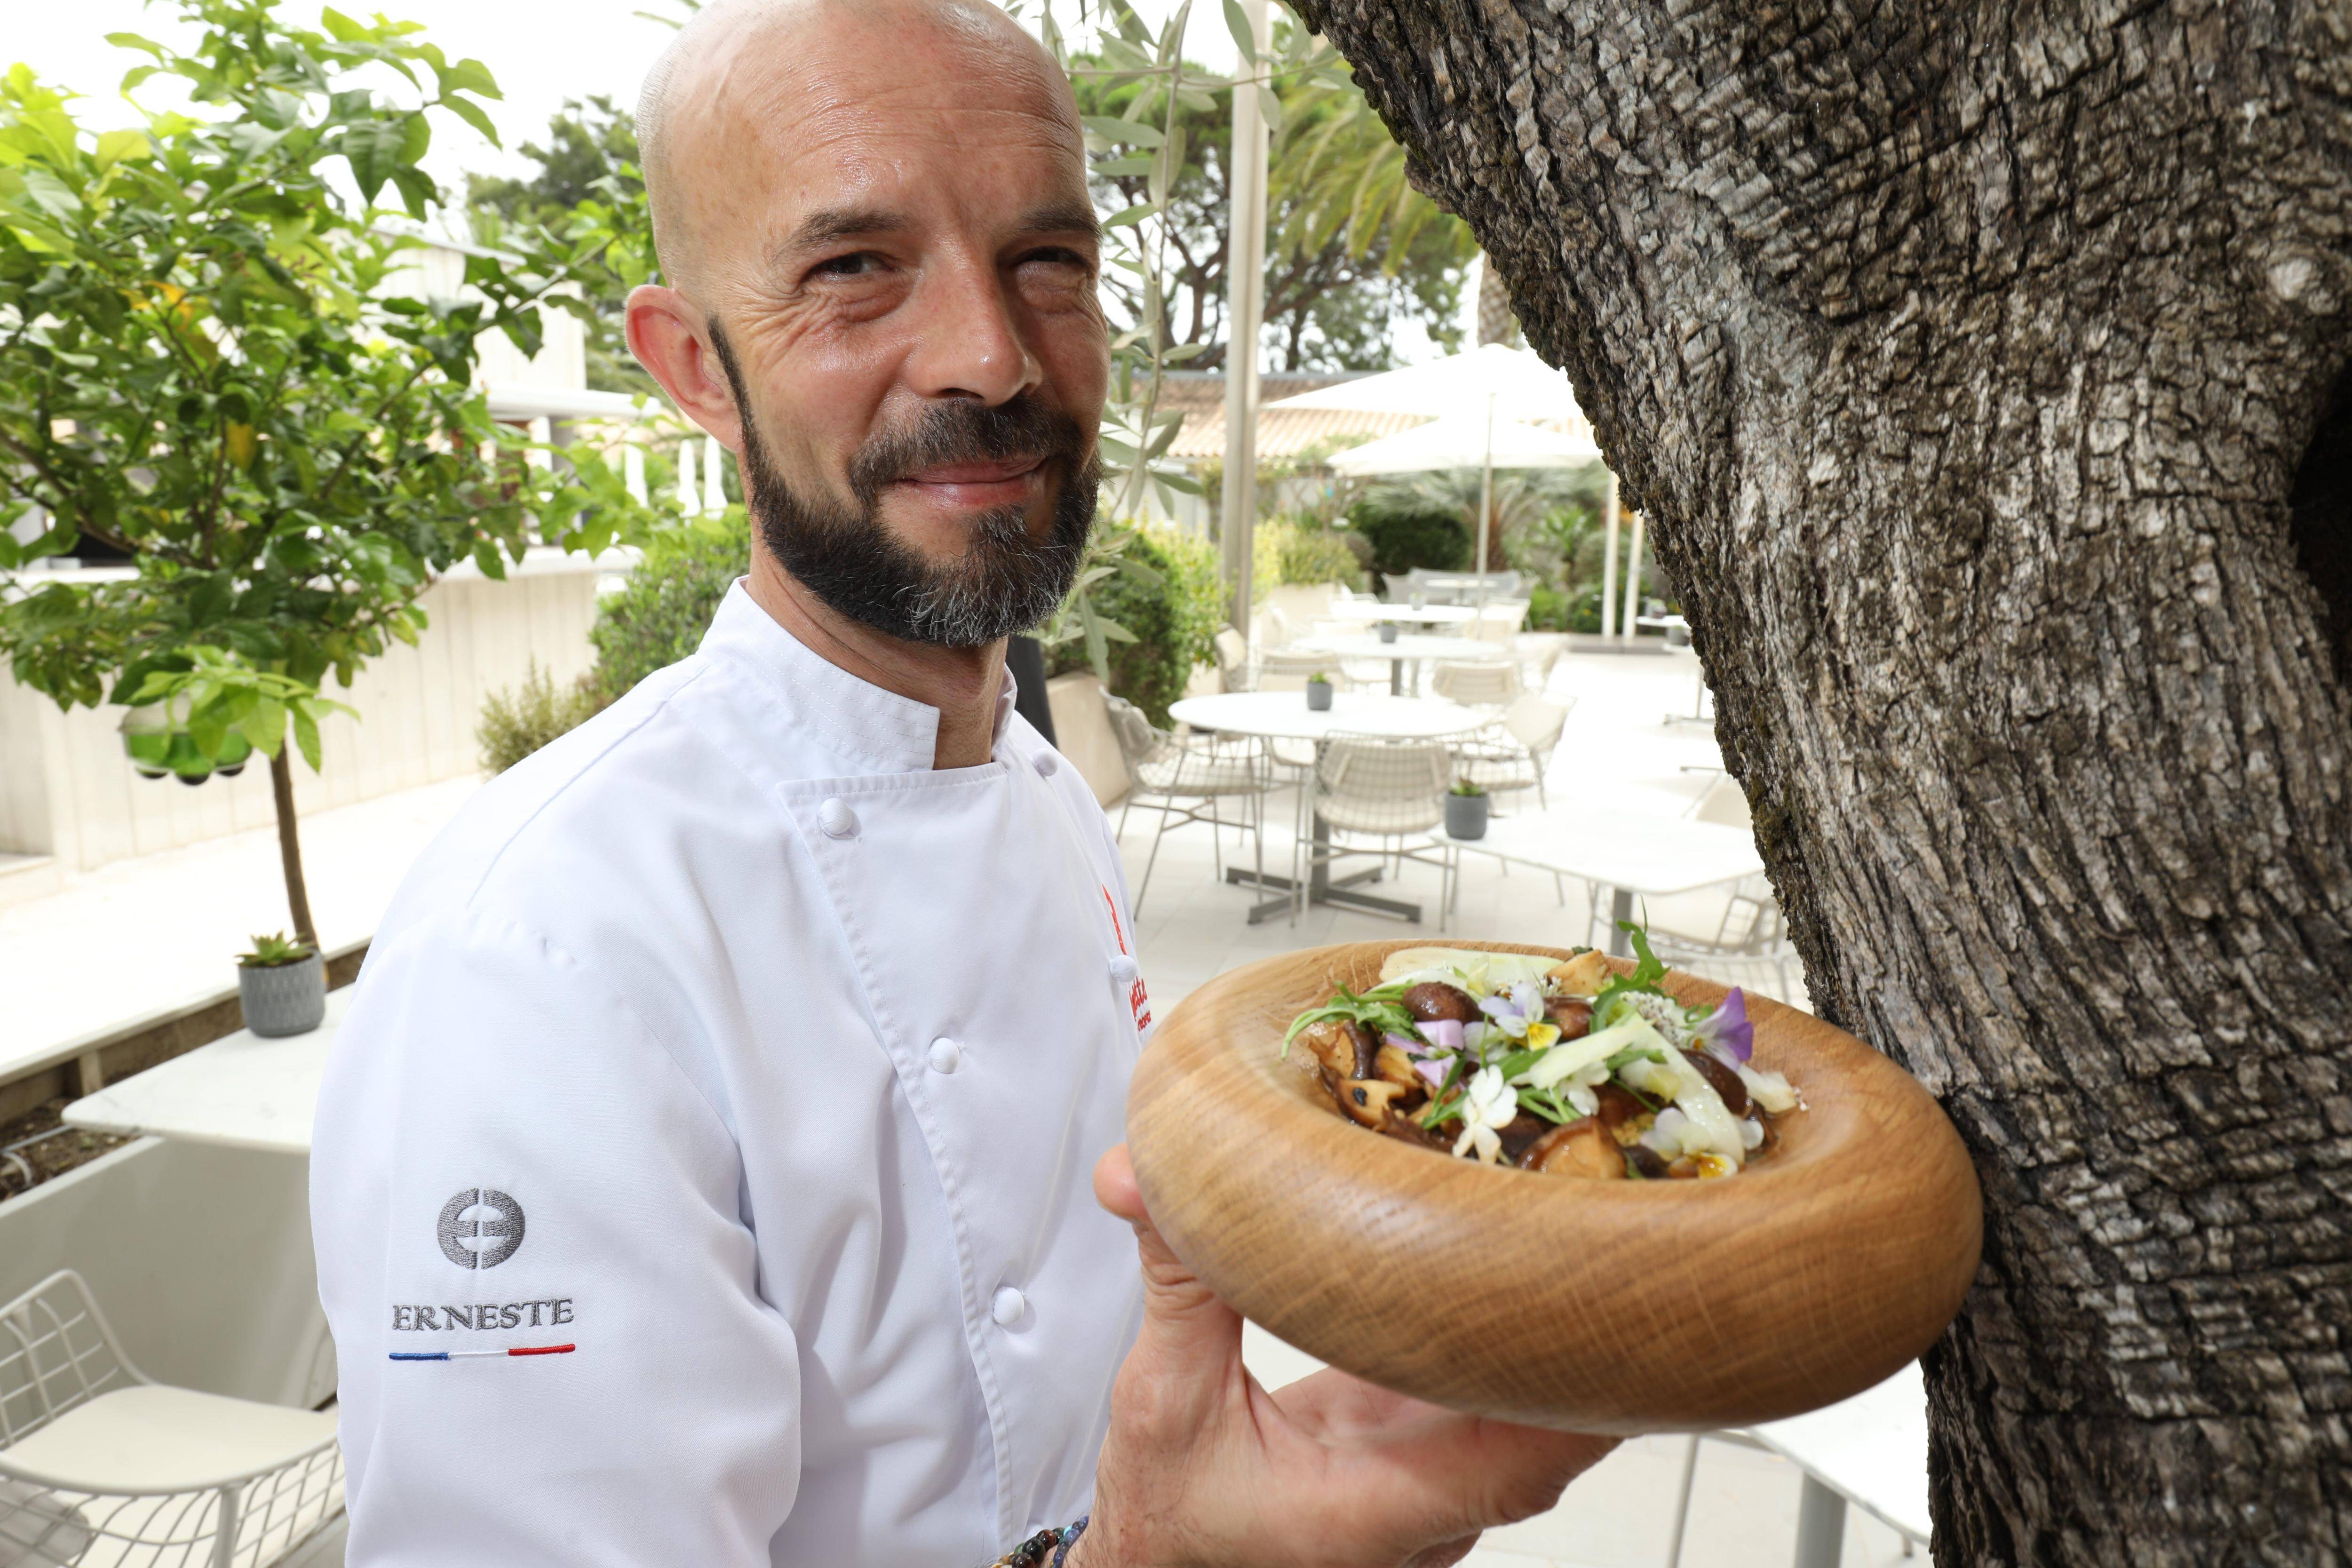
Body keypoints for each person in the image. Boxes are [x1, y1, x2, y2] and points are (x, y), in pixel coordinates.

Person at [308, 2, 1609, 1563]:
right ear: (693, 369)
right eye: (853, 269)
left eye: (1047, 262)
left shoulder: (1042, 792)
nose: (992, 354)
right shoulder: (533, 956)